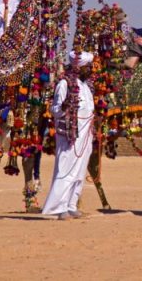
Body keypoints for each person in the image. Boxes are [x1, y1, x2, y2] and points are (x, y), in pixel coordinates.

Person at [42, 51, 95, 220]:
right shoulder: (65, 84)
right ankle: (59, 207)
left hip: (85, 135)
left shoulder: (86, 86)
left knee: (79, 171)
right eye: (87, 67)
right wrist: (64, 107)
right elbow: (55, 110)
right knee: (65, 169)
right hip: (70, 134)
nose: (90, 70)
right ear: (78, 67)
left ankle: (71, 204)